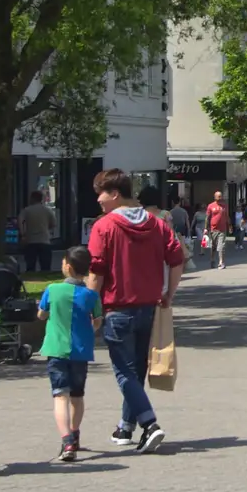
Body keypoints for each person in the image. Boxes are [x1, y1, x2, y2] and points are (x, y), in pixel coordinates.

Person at [86, 168, 183, 452]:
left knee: (124, 373)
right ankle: (125, 427)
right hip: (149, 307)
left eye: (101, 195)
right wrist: (169, 294)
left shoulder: (103, 227)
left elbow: (96, 272)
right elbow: (176, 259)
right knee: (137, 369)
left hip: (117, 308)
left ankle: (149, 423)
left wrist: (90, 308)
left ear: (115, 194)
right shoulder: (156, 224)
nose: (99, 201)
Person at [37, 245, 102, 462]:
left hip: (56, 350)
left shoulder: (52, 290)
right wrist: (88, 332)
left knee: (60, 395)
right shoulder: (91, 296)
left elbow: (41, 314)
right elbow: (98, 320)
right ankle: (75, 434)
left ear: (68, 266)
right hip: (80, 351)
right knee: (77, 395)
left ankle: (66, 441)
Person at [18, 190, 56, 273]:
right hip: (44, 240)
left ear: (32, 198)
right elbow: (53, 224)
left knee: (30, 266)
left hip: (30, 240)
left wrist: (23, 234)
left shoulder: (26, 210)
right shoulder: (47, 210)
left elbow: (20, 222)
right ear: (41, 199)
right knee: (45, 266)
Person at [205, 190, 231, 270]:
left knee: (221, 246)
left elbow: (227, 216)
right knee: (213, 246)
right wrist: (206, 228)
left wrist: (230, 225)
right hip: (213, 229)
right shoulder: (210, 206)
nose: (220, 198)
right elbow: (207, 218)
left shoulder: (224, 206)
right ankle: (212, 260)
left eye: (221, 196)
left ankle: (221, 262)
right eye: (219, 196)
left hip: (222, 229)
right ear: (215, 197)